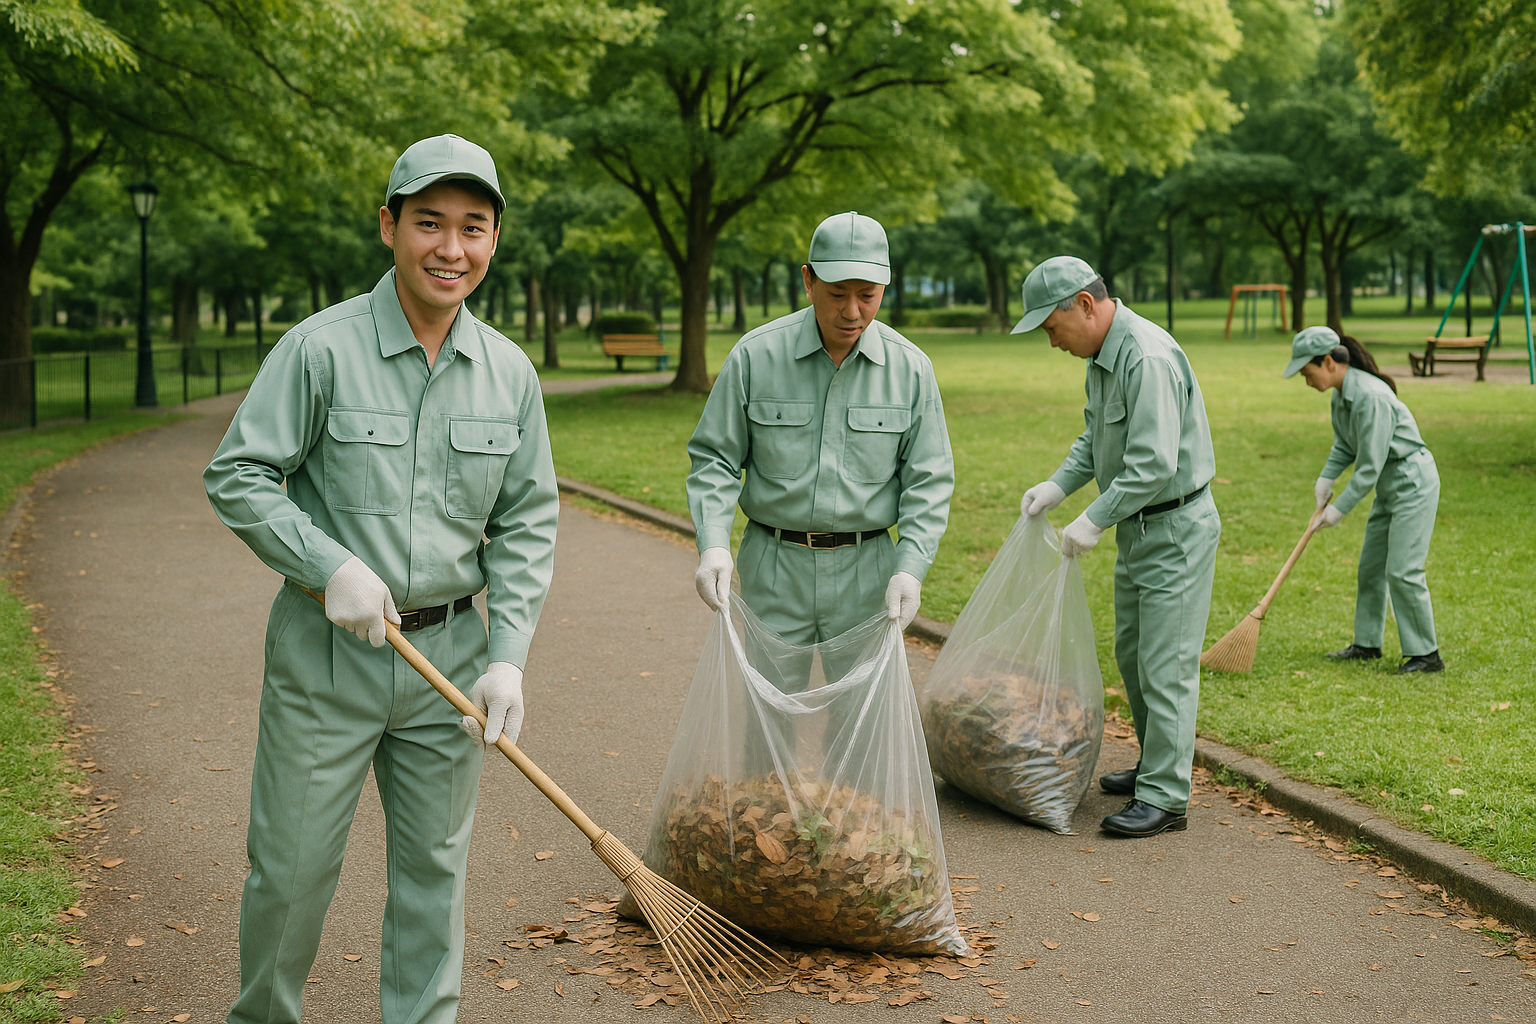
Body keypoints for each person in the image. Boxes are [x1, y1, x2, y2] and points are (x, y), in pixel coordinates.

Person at [203, 134, 559, 1024]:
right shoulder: (319, 350)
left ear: (494, 241)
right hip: (329, 657)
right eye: (429, 223)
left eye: (473, 228)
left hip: (451, 664)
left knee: (434, 880)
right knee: (289, 872)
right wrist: (329, 567)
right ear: (389, 226)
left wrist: (508, 656)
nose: (451, 248)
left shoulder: (511, 374)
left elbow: (525, 524)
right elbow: (239, 474)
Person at [1014, 256, 1219, 839]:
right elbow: (1096, 437)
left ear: (1083, 304)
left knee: (1166, 663)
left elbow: (1154, 461)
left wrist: (1094, 519)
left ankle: (1166, 797)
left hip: (1174, 527)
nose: (1050, 342)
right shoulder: (1102, 358)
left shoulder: (1146, 356)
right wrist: (1058, 485)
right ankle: (1158, 763)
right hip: (1140, 525)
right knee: (1133, 654)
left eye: (1051, 328)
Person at [686, 211, 953, 654]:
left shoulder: (911, 369)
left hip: (868, 571)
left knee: (861, 719)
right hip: (774, 567)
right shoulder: (755, 356)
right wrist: (713, 542)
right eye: (837, 295)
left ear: (885, 287)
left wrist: (910, 566)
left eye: (868, 296)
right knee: (767, 715)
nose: (852, 312)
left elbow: (929, 477)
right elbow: (716, 457)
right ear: (808, 281)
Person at [1283, 326, 1443, 673]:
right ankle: (1367, 643)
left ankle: (1426, 655)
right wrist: (1326, 479)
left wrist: (1337, 510)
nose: (1306, 380)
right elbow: (1345, 445)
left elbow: (1369, 467)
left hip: (1412, 482)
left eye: (1306, 372)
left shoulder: (1371, 396)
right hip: (1390, 485)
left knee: (1402, 570)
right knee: (1370, 568)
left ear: (1327, 362)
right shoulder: (1341, 396)